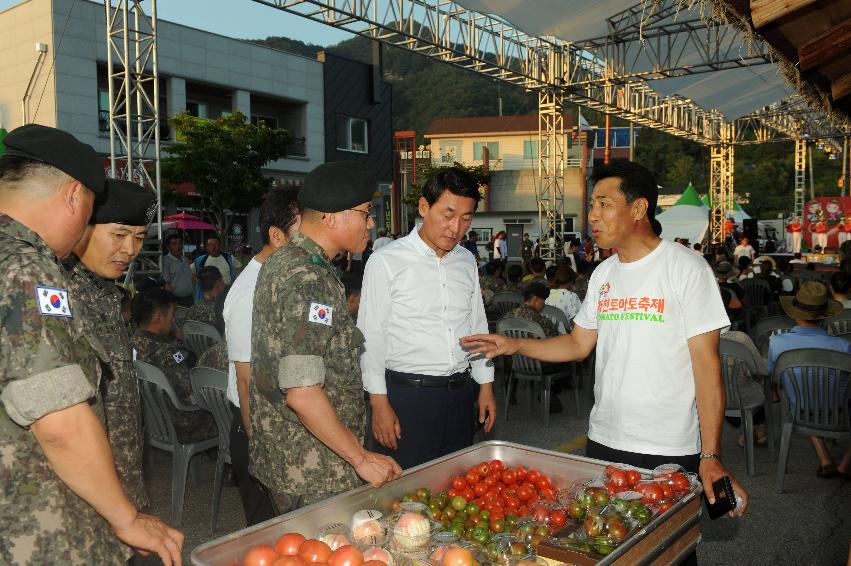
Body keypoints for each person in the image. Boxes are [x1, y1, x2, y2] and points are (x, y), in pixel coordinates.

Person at [462, 161, 749, 522]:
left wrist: (710, 455)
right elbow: (577, 344)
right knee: (607, 542)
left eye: (604, 203)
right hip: (604, 439)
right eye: (592, 205)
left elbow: (707, 370)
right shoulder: (604, 274)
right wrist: (515, 345)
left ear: (639, 208)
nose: (593, 215)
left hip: (667, 446)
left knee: (666, 550)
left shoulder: (686, 268)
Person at [0, 124, 183, 565]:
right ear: (75, 197)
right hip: (45, 527)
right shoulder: (29, 271)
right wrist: (126, 518)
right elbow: (59, 421)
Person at [250, 162, 401, 511]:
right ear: (333, 217)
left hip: (292, 457)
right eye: (366, 214)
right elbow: (302, 393)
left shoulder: (285, 259)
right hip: (314, 469)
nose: (372, 223)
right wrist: (361, 458)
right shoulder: (309, 278)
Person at [358, 166, 496, 470]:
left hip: (460, 395)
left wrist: (485, 384)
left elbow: (476, 325)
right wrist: (378, 402)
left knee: (455, 488)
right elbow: (371, 337)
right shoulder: (386, 261)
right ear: (424, 207)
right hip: (408, 398)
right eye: (447, 215)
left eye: (466, 218)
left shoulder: (466, 260)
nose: (456, 227)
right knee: (406, 495)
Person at [66, 178, 156, 514]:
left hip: (125, 486)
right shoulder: (61, 294)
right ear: (83, 226)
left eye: (139, 238)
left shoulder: (105, 293)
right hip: (86, 500)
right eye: (119, 235)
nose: (131, 250)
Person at [223, 188, 301, 525]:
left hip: (284, 419)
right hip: (256, 426)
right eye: (304, 232)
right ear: (277, 236)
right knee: (268, 533)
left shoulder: (286, 276)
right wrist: (262, 450)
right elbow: (246, 379)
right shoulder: (249, 292)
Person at [767, 281, 851, 478]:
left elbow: (774, 379)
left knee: (804, 391)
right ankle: (845, 465)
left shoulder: (777, 343)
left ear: (795, 312)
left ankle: (825, 459)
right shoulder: (843, 346)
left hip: (800, 409)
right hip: (841, 412)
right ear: (825, 314)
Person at [131, 287, 216, 440]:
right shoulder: (166, 353)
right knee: (229, 412)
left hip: (154, 422)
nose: (174, 320)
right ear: (158, 317)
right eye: (172, 313)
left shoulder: (131, 344)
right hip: (182, 424)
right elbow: (191, 396)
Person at [193, 234, 241, 299]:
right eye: (210, 245)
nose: (213, 247)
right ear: (206, 247)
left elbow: (239, 268)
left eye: (216, 244)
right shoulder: (200, 260)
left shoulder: (228, 258)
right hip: (208, 297)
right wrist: (201, 284)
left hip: (227, 294)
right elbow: (190, 272)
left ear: (220, 246)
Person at [186, 265, 225, 329]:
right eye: (222, 280)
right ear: (218, 283)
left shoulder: (191, 310)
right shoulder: (223, 311)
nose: (224, 283)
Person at [163, 234, 194, 307]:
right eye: (174, 244)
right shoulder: (165, 261)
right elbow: (167, 284)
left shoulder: (185, 260)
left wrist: (194, 296)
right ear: (168, 247)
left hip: (190, 299)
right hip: (176, 300)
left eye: (180, 243)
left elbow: (191, 279)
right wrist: (173, 302)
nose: (177, 246)